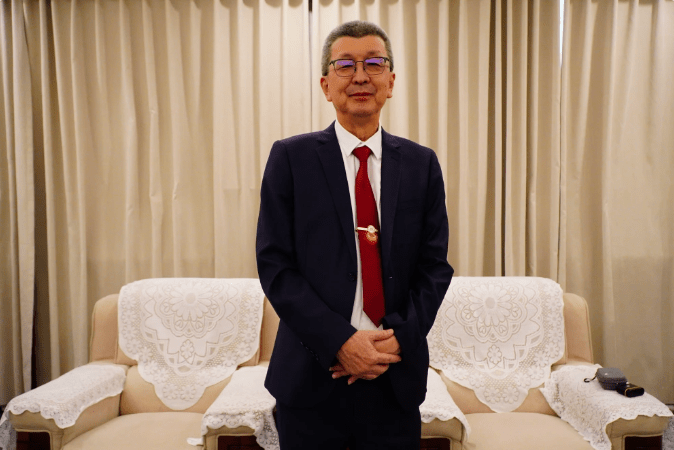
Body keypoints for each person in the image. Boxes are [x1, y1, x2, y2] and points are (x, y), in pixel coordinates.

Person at [256, 20, 453, 450]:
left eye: (374, 63)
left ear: (391, 82)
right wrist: (340, 342)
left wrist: (398, 339)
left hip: (394, 378)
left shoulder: (421, 165)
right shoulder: (290, 158)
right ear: (326, 85)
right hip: (311, 377)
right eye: (345, 65)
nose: (360, 76)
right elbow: (275, 267)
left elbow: (434, 268)